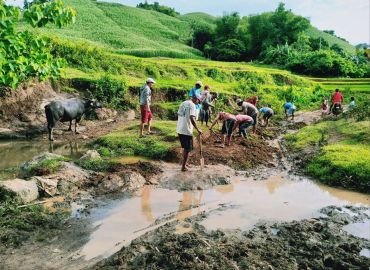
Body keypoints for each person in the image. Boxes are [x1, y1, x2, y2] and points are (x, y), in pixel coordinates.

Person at [177, 93, 203, 172]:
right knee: (187, 149)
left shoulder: (183, 103)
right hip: (186, 130)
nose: (198, 102)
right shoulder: (192, 105)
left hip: (180, 129)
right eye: (199, 100)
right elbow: (192, 117)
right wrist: (198, 129)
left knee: (186, 148)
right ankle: (183, 167)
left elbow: (179, 114)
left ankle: (185, 163)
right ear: (196, 99)